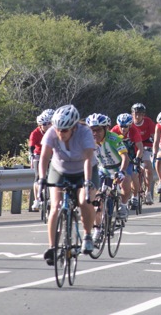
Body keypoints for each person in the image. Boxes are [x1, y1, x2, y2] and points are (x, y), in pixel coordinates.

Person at [39, 104, 98, 264]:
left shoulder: (84, 133)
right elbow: (44, 157)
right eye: (58, 129)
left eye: (64, 130)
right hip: (60, 169)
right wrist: (42, 179)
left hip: (84, 170)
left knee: (84, 201)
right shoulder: (52, 132)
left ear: (73, 127)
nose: (60, 133)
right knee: (56, 206)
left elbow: (87, 160)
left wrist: (86, 183)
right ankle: (52, 247)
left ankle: (87, 235)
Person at [86, 113, 130, 238]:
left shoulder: (114, 138)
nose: (95, 133)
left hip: (117, 168)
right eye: (92, 130)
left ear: (106, 128)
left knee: (126, 181)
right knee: (97, 200)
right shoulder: (89, 141)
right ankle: (97, 230)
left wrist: (121, 172)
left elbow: (124, 156)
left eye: (98, 130)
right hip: (102, 170)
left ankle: (123, 205)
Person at [112, 113, 144, 210]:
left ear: (130, 125)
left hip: (130, 155)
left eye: (125, 126)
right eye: (121, 126)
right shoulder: (114, 131)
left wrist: (137, 158)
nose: (123, 129)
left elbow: (140, 147)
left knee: (133, 175)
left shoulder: (134, 131)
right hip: (117, 155)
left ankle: (135, 196)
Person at [130, 103, 156, 204]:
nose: (137, 116)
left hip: (146, 144)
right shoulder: (129, 122)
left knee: (147, 166)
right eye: (135, 114)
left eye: (140, 114)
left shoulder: (148, 122)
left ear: (143, 115)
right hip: (133, 145)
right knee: (133, 171)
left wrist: (154, 150)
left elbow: (154, 137)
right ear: (132, 114)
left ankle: (148, 192)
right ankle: (134, 194)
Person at [29, 108, 54, 211]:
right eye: (44, 124)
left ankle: (52, 198)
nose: (47, 126)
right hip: (39, 154)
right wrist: (31, 155)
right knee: (38, 177)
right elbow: (31, 146)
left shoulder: (55, 132)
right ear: (40, 125)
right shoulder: (35, 133)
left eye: (50, 123)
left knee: (53, 176)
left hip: (53, 155)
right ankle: (37, 199)